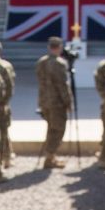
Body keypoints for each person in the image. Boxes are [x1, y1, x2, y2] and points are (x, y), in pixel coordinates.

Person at [36, 35, 72, 170]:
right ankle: (50, 157)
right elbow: (62, 85)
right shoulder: (59, 63)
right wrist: (68, 102)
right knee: (57, 129)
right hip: (56, 103)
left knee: (51, 128)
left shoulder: (41, 62)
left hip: (44, 101)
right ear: (60, 48)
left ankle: (50, 155)